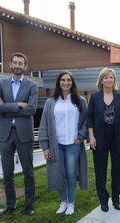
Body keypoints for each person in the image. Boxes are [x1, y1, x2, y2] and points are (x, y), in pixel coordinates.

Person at [0, 52, 38, 216]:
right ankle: (11, 205)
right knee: (7, 172)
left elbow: (31, 110)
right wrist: (17, 105)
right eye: (15, 63)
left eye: (21, 63)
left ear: (25, 66)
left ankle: (29, 204)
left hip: (24, 134)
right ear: (10, 64)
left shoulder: (31, 85)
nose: (17, 66)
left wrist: (6, 108)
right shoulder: (0, 83)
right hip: (5, 134)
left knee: (28, 172)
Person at [38, 71, 88, 215]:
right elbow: (44, 124)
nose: (65, 82)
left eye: (68, 80)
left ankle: (71, 202)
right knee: (60, 173)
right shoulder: (50, 102)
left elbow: (86, 120)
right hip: (56, 144)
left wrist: (80, 136)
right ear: (59, 82)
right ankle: (63, 201)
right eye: (63, 80)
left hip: (73, 143)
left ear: (72, 83)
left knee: (71, 174)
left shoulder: (80, 101)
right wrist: (45, 146)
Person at [87, 67, 120, 212]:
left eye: (111, 77)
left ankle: (116, 199)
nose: (109, 80)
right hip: (99, 138)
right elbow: (90, 118)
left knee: (117, 170)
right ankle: (103, 200)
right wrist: (91, 137)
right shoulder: (94, 97)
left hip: (117, 137)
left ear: (114, 80)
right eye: (106, 77)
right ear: (101, 80)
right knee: (100, 171)